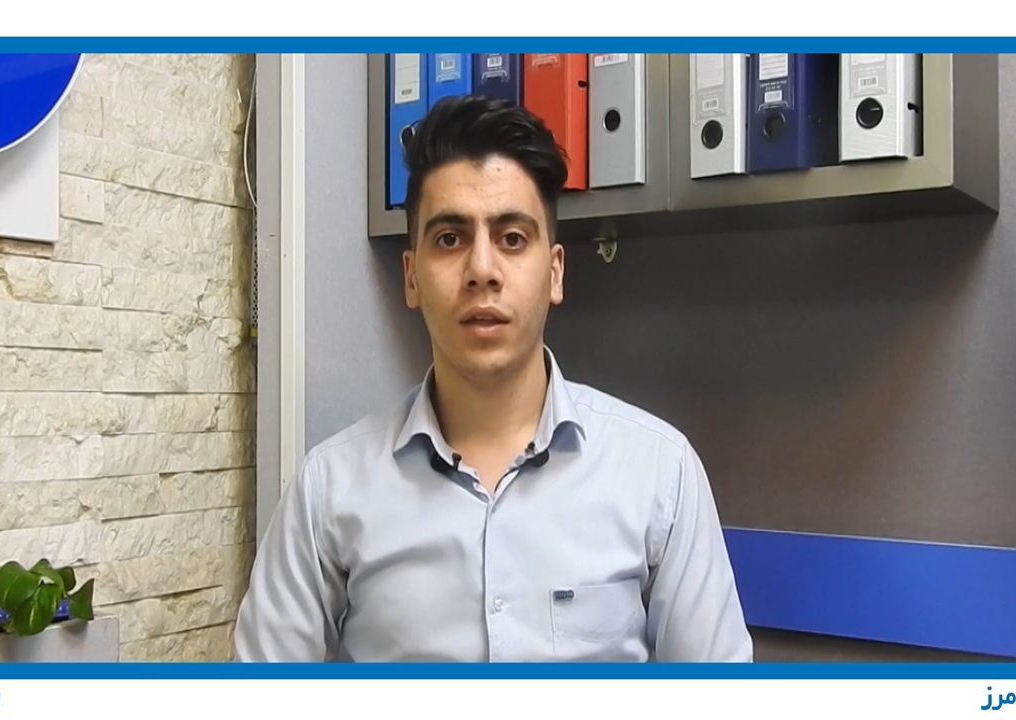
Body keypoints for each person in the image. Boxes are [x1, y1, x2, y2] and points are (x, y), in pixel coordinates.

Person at [234, 94, 753, 663]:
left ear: (554, 272)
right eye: (449, 239)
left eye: (511, 238)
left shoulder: (660, 474)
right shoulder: (329, 489)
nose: (482, 270)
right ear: (412, 277)